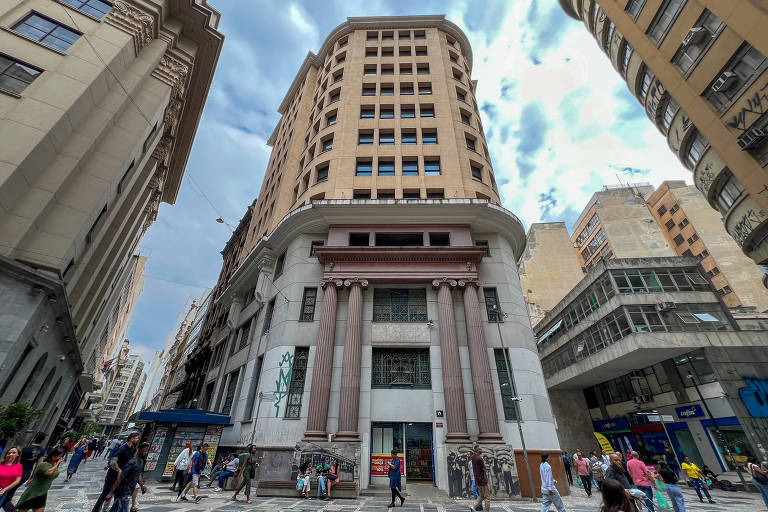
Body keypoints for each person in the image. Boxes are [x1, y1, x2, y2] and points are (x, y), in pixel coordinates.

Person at [92, 432, 139, 512]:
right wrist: (119, 470)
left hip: (121, 477)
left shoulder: (133, 448)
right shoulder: (123, 448)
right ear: (132, 438)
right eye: (137, 438)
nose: (138, 440)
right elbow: (113, 461)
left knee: (117, 495)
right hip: (113, 475)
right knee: (105, 494)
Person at [14, 447, 65, 512]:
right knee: (22, 510)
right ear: (53, 456)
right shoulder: (44, 464)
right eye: (59, 456)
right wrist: (57, 464)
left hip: (43, 492)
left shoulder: (53, 466)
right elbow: (49, 472)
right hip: (34, 492)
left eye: (61, 457)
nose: (61, 459)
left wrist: (56, 465)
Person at [6, 432, 46, 510]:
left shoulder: (25, 449)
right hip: (26, 474)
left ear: (34, 438)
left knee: (6, 495)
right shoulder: (41, 451)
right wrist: (32, 478)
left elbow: (16, 462)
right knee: (10, 492)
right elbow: (38, 466)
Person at [105, 442, 149, 512]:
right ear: (139, 450)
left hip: (129, 491)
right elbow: (120, 477)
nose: (146, 453)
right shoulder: (132, 462)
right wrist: (111, 492)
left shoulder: (141, 461)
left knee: (115, 509)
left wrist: (142, 485)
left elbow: (138, 473)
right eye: (144, 451)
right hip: (123, 491)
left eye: (147, 451)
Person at [470, 445, 489, 512]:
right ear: (477, 450)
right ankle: (487, 511)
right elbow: (485, 469)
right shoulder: (480, 458)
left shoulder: (473, 458)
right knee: (487, 497)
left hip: (477, 479)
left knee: (481, 496)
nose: (481, 450)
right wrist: (484, 462)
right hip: (482, 480)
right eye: (480, 449)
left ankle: (473, 507)